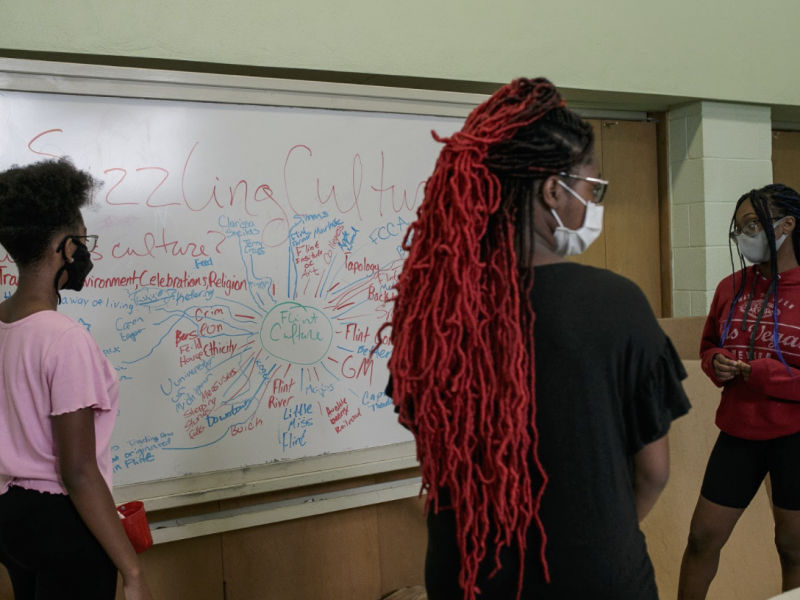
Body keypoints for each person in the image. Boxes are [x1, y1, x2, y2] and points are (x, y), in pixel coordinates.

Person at [383, 78, 691, 600]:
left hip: (469, 578)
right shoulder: (617, 304)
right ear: (554, 189)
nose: (593, 204)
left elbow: (427, 436)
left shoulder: (434, 313)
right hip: (595, 578)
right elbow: (654, 473)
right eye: (593, 189)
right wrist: (592, 536)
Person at [0, 159, 153, 600]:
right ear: (65, 248)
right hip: (63, 522)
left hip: (11, 518)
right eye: (82, 244)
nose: (85, 255)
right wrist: (133, 571)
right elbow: (79, 471)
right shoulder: (64, 339)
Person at [678, 184, 800, 599]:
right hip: (738, 432)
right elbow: (709, 345)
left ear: (787, 225)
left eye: (753, 224)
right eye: (739, 228)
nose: (744, 235)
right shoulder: (732, 287)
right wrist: (716, 363)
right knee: (701, 539)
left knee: (793, 547)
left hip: (794, 436)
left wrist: (763, 374)